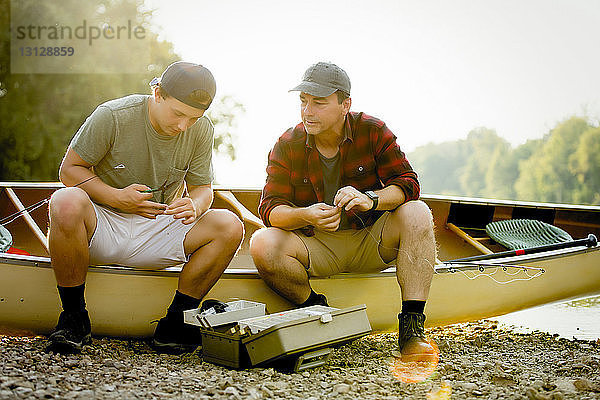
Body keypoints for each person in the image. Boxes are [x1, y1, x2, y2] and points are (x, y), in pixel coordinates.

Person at [47, 61, 244, 354]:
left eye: (193, 118)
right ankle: (74, 319)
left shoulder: (201, 128)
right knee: (65, 200)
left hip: (159, 228)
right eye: (178, 114)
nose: (183, 126)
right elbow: (69, 171)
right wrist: (115, 197)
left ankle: (175, 324)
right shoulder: (111, 115)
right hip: (103, 225)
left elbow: (203, 189)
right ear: (157, 93)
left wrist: (195, 205)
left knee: (229, 224)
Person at [249, 62, 437, 358]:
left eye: (319, 103)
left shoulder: (372, 130)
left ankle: (412, 330)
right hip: (316, 245)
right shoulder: (287, 143)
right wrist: (307, 214)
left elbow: (408, 184)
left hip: (371, 242)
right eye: (303, 101)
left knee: (417, 212)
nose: (307, 111)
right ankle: (319, 312)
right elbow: (271, 210)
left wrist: (371, 199)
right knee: (262, 242)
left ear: (345, 104)